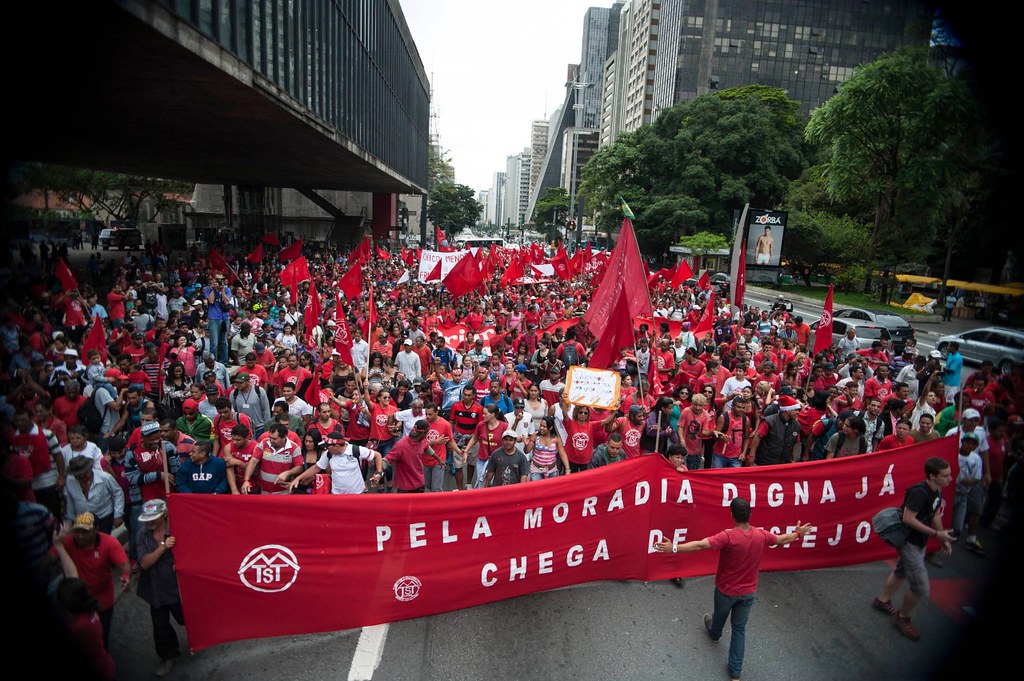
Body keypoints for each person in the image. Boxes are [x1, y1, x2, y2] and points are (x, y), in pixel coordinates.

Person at [655, 498, 811, 681]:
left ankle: (714, 633)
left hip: (726, 591)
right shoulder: (761, 535)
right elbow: (783, 539)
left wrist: (673, 548)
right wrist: (798, 534)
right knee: (739, 629)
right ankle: (735, 672)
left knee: (719, 618)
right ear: (750, 515)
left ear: (731, 515)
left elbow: (700, 545)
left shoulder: (728, 537)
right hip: (748, 594)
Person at [872, 456, 956, 642]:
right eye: (945, 475)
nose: (950, 478)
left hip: (920, 541)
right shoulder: (919, 492)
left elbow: (934, 514)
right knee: (921, 587)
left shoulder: (937, 491)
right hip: (910, 542)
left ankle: (882, 600)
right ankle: (903, 617)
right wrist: (937, 535)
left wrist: (942, 536)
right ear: (932, 476)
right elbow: (908, 519)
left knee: (901, 570)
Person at [62, 512, 130, 648]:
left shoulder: (109, 543)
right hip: (76, 600)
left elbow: (124, 565)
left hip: (102, 600)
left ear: (96, 530)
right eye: (77, 531)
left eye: (85, 532)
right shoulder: (68, 542)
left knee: (101, 638)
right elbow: (50, 558)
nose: (80, 536)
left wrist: (126, 577)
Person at [135, 499, 185, 676]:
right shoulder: (142, 535)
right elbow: (144, 563)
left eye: (154, 518)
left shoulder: (178, 528)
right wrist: (163, 547)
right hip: (155, 588)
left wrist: (181, 562)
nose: (150, 522)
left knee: (184, 618)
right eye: (147, 519)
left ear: (165, 515)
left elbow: (193, 551)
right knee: (160, 626)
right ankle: (168, 655)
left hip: (177, 587)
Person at [288, 425, 385, 495]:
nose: (326, 449)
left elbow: (377, 455)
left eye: (328, 446)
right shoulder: (328, 454)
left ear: (337, 446)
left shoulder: (355, 450)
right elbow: (316, 468)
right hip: (337, 495)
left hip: (357, 494)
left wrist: (379, 473)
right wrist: (298, 478)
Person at [63, 455, 125, 534]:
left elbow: (118, 493)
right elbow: (70, 501)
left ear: (90, 468)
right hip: (82, 521)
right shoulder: (70, 480)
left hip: (104, 518)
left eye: (84, 473)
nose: (81, 476)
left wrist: (118, 515)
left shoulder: (104, 477)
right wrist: (70, 520)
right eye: (78, 475)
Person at [952, 431, 985, 555]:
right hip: (950, 492)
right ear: (962, 442)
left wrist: (970, 482)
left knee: (958, 527)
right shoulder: (953, 453)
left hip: (963, 494)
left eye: (973, 444)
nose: (969, 445)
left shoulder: (976, 459)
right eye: (967, 442)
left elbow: (977, 477)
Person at [381, 419, 434, 493]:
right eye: (426, 433)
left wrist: (439, 459)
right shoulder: (401, 446)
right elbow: (386, 460)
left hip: (419, 483)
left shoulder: (423, 441)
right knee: (404, 505)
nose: (426, 436)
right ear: (422, 433)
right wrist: (378, 473)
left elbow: (427, 448)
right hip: (405, 486)